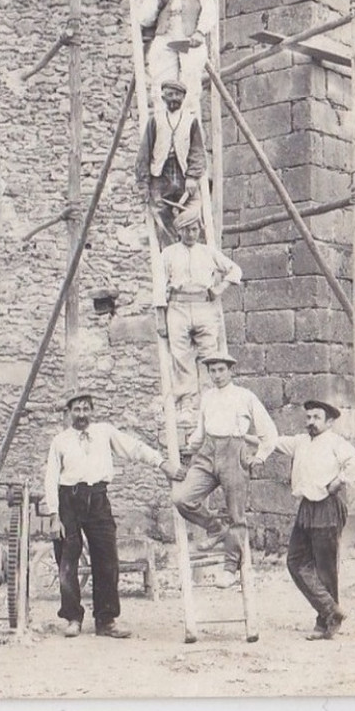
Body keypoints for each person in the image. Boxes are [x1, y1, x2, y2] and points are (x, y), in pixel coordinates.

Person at [44, 390, 185, 639]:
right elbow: (51, 478)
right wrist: (54, 515)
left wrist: (162, 464)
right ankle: (72, 618)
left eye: (86, 409)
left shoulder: (104, 432)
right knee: (67, 561)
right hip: (69, 501)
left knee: (107, 559)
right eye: (77, 409)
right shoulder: (60, 441)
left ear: (92, 411)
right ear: (68, 413)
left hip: (98, 499)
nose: (82, 414)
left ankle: (106, 620)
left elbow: (134, 448)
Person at [171, 354, 278, 573]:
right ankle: (216, 529)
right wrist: (189, 448)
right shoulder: (208, 397)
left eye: (221, 370)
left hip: (234, 452)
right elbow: (201, 431)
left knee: (236, 515)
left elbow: (269, 432)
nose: (217, 375)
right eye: (213, 371)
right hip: (208, 452)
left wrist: (259, 456)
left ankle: (230, 568)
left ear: (230, 371)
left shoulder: (245, 396)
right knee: (182, 498)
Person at [273, 399, 355, 640]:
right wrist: (244, 435)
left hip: (327, 506)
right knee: (295, 561)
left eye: (317, 418)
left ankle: (326, 622)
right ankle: (330, 610)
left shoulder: (336, 442)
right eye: (308, 417)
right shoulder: (301, 442)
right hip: (307, 507)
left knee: (325, 567)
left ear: (329, 421)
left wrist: (340, 480)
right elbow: (273, 442)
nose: (311, 422)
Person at [159, 205, 242, 413]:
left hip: (204, 306)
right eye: (187, 230)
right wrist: (160, 317)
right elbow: (159, 286)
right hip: (178, 307)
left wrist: (220, 288)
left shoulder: (207, 252)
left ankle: (210, 397)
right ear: (179, 231)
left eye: (195, 229)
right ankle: (187, 399)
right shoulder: (168, 254)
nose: (191, 234)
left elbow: (235, 269)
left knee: (210, 353)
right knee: (180, 355)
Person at [138, 0, 216, 115]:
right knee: (161, 83)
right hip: (166, 35)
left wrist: (200, 32)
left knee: (190, 81)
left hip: (188, 36)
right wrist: (160, 3)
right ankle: (163, 123)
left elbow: (210, 11)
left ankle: (189, 125)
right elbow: (143, 18)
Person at [135, 79, 206, 245]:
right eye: (170, 94)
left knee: (193, 211)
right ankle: (170, 249)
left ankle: (189, 245)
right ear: (163, 96)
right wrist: (143, 185)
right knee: (160, 211)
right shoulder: (155, 120)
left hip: (182, 173)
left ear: (183, 97)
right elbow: (144, 153)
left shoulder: (190, 120)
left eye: (178, 95)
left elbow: (197, 151)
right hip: (161, 175)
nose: (174, 98)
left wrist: (193, 177)